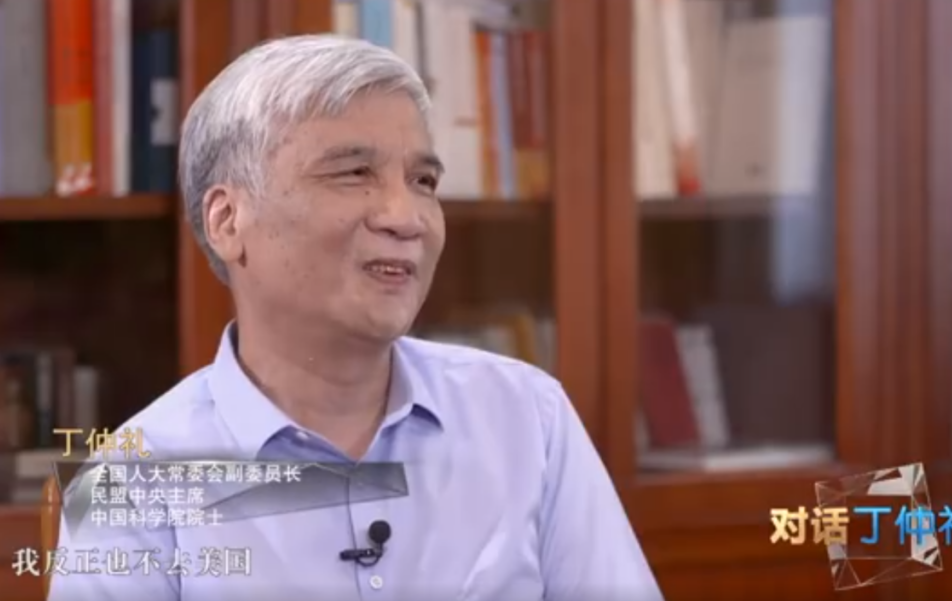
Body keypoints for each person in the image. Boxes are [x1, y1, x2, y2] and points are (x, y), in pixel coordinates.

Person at [47, 35, 662, 601]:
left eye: (423, 180)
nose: (406, 217)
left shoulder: (527, 418)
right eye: (354, 174)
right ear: (228, 221)